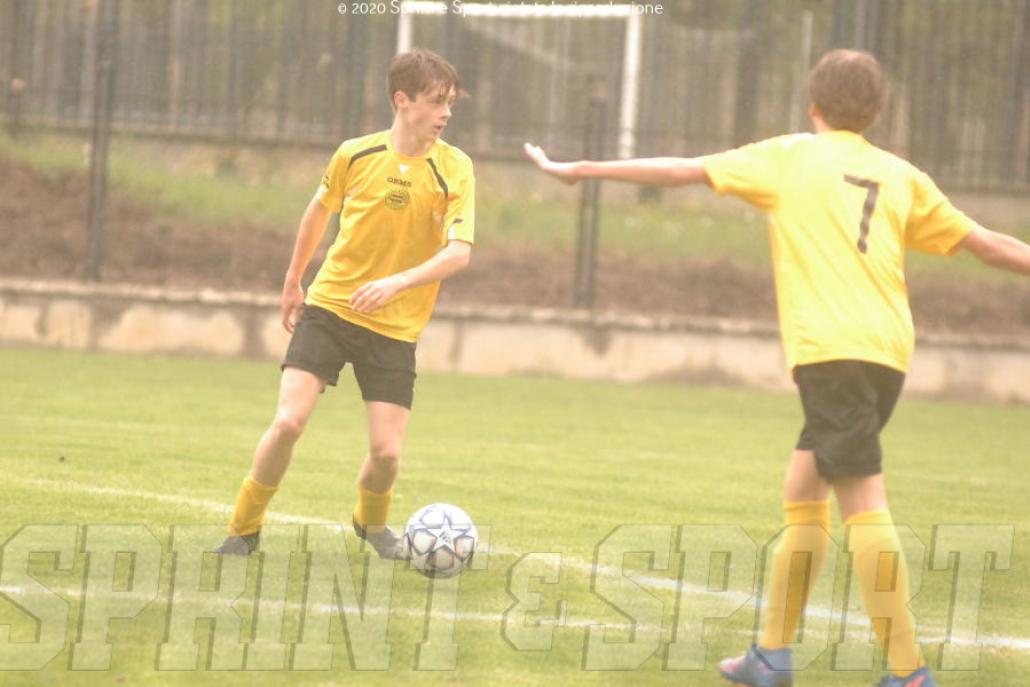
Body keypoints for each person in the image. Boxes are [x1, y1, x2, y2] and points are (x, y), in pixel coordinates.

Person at [524, 49, 1030, 687]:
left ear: (812, 106)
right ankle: (771, 656)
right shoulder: (901, 175)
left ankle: (909, 673)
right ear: (876, 112)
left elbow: (682, 170)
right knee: (803, 492)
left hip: (834, 352)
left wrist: (582, 169)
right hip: (887, 352)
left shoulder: (789, 157)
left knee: (863, 502)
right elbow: (987, 244)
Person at [214, 48, 475, 560]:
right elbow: (318, 211)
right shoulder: (355, 154)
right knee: (288, 422)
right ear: (402, 100)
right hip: (331, 308)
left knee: (387, 454)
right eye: (436, 101)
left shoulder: (455, 168)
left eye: (450, 103)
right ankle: (243, 529)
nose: (446, 113)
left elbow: (459, 253)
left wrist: (397, 283)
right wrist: (293, 281)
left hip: (394, 326)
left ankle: (371, 525)